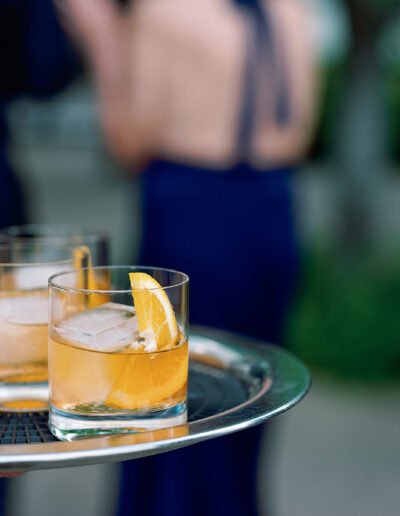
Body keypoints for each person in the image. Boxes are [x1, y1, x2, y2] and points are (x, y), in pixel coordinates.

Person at [62, 0, 318, 514]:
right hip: (275, 211)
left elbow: (128, 139)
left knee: (171, 416)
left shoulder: (164, 10)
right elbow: (302, 129)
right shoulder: (293, 8)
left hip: (192, 211)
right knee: (249, 404)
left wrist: (101, 36)